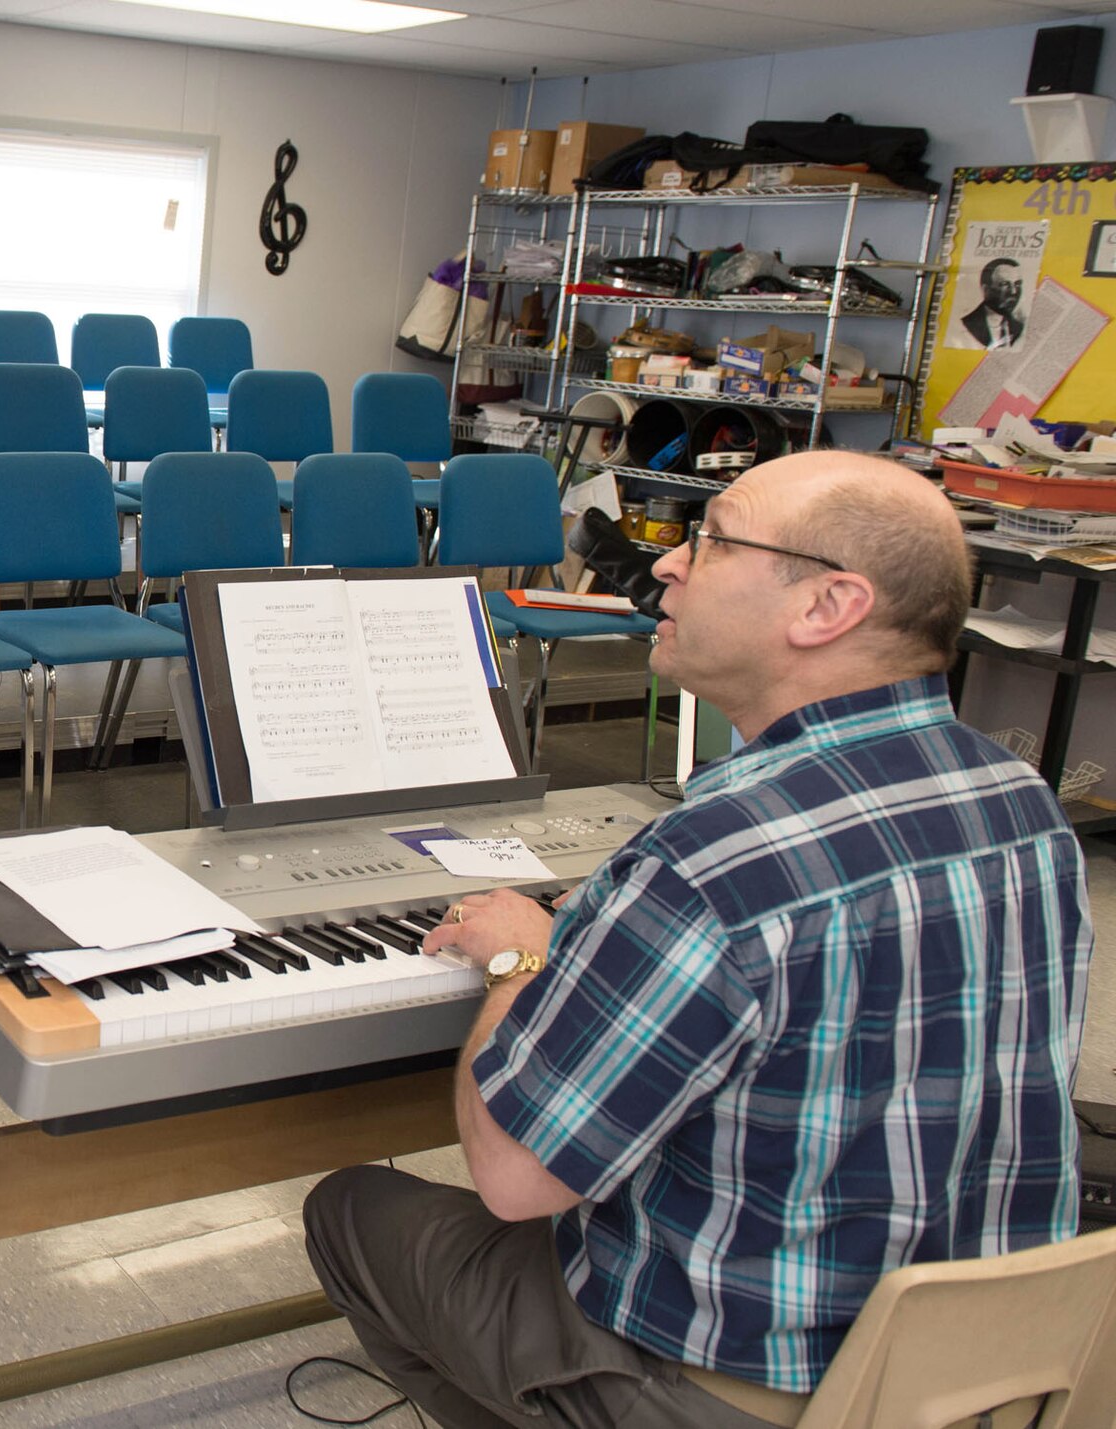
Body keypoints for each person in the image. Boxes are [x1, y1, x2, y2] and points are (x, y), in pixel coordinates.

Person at [304, 452, 1093, 1427]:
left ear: (826, 606)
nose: (665, 563)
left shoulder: (712, 856)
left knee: (351, 1212)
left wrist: (518, 958)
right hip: (975, 1372)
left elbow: (513, 1181)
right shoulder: (1017, 799)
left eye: (712, 540)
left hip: (724, 1385)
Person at [960, 257, 1025, 348]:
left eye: (1017, 284)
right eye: (1005, 284)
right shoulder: (965, 325)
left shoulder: (1018, 327)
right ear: (986, 290)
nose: (1013, 291)